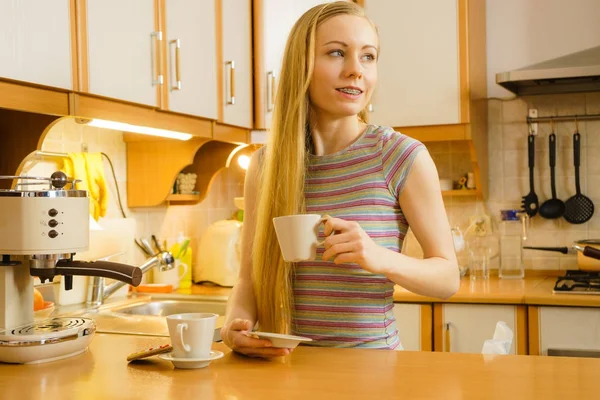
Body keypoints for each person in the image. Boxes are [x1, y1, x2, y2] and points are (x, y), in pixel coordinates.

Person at [220, 1, 459, 358]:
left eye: (368, 56)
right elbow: (249, 278)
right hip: (288, 370)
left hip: (373, 371)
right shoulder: (265, 166)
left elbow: (447, 278)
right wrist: (235, 324)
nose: (355, 71)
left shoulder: (401, 156)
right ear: (301, 65)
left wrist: (378, 257)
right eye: (336, 53)